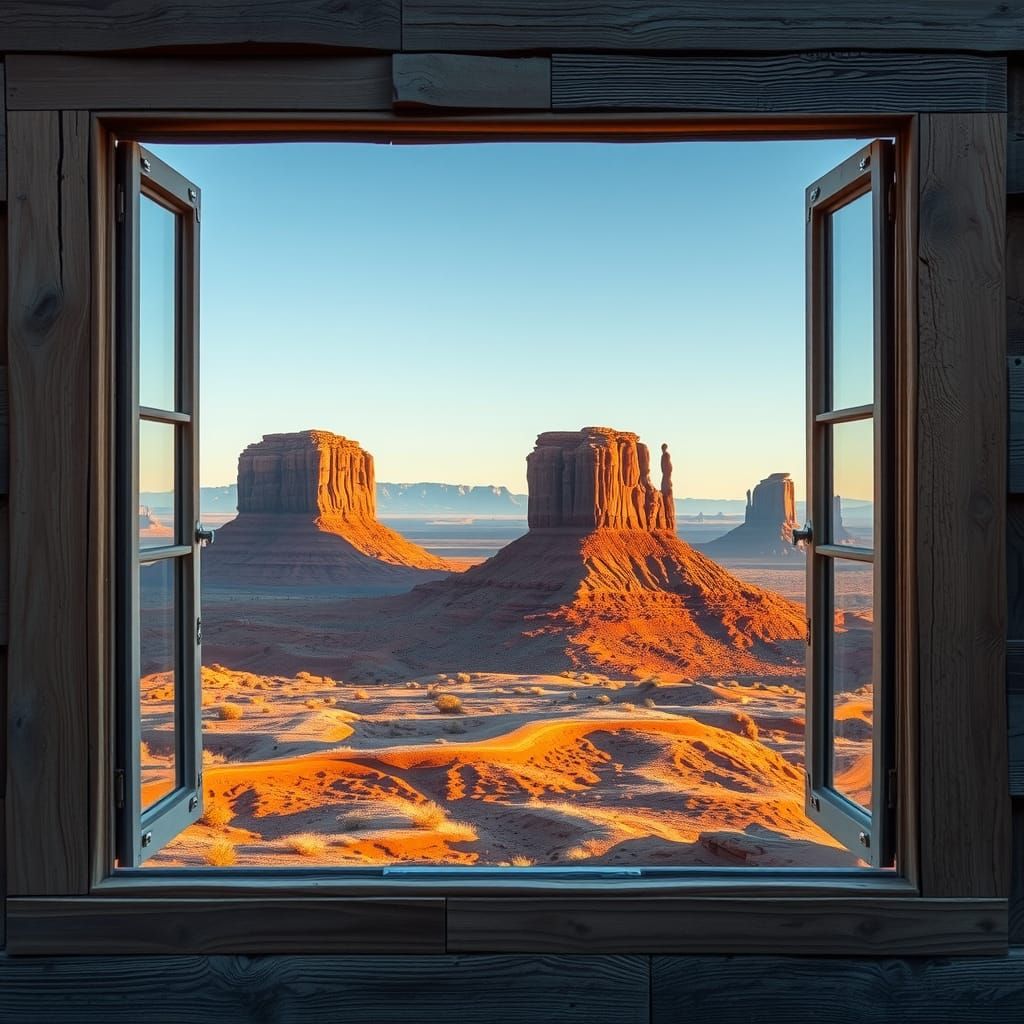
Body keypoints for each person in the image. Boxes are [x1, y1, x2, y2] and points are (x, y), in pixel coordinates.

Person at [660, 443, 675, 529]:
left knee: (666, 483)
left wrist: (668, 477)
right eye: (662, 448)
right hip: (666, 475)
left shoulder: (666, 455)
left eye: (663, 448)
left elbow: (668, 466)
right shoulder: (664, 455)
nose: (662, 449)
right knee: (665, 483)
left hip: (667, 475)